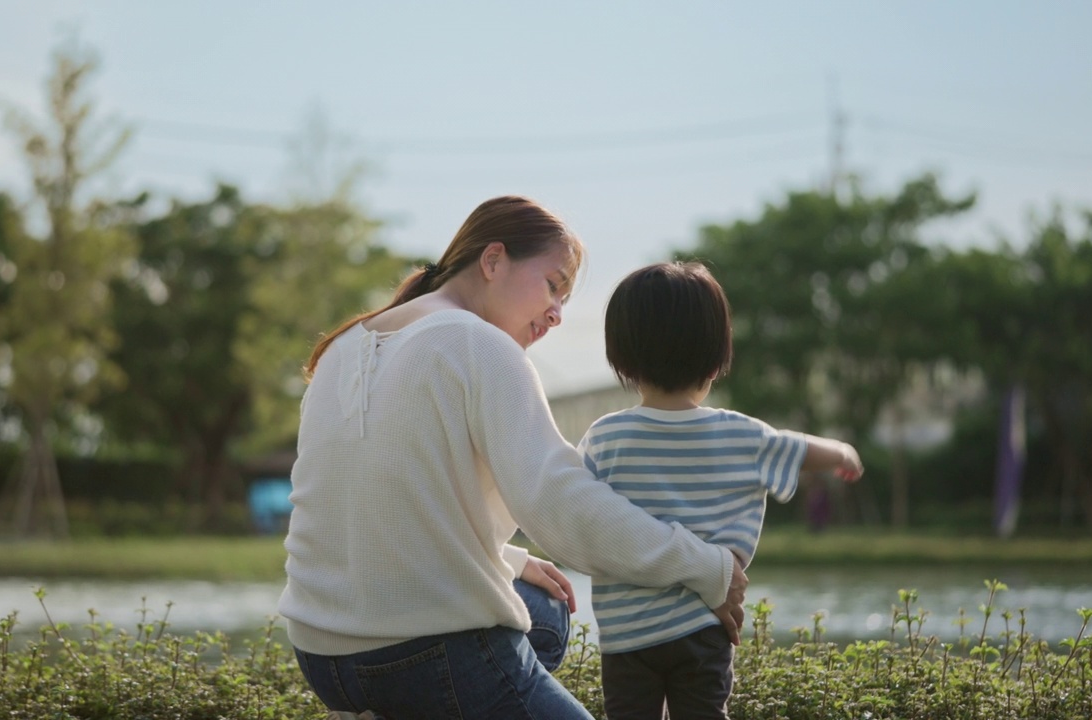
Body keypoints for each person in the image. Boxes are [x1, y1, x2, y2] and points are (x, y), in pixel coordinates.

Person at [278, 197, 750, 720]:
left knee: (546, 613)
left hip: (322, 655)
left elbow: (358, 502)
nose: (556, 313)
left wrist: (510, 561)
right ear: (493, 259)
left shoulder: (344, 347)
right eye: (552, 284)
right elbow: (563, 506)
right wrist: (706, 566)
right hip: (423, 655)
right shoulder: (477, 343)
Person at [578, 261, 864, 720]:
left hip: (626, 634)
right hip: (704, 624)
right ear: (716, 359)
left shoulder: (604, 437)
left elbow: (573, 506)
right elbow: (801, 449)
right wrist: (843, 452)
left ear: (623, 359)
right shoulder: (741, 435)